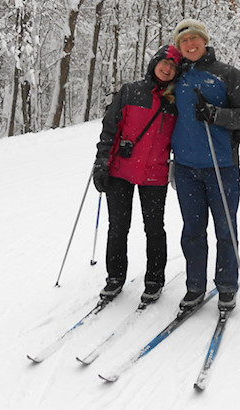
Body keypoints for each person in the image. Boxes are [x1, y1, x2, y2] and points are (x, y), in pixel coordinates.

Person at [168, 18, 240, 311]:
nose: (190, 45)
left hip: (222, 166)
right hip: (184, 168)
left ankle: (227, 286)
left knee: (225, 229)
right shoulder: (176, 76)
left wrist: (217, 115)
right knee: (192, 230)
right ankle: (195, 287)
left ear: (205, 41)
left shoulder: (228, 74)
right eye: (184, 41)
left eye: (195, 39)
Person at [93, 44, 182, 305]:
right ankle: (114, 277)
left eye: (173, 67)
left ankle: (154, 279)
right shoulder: (130, 91)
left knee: (154, 228)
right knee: (118, 227)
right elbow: (110, 128)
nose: (167, 69)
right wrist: (101, 162)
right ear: (154, 63)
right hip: (121, 171)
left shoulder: (176, 102)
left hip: (155, 175)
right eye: (164, 63)